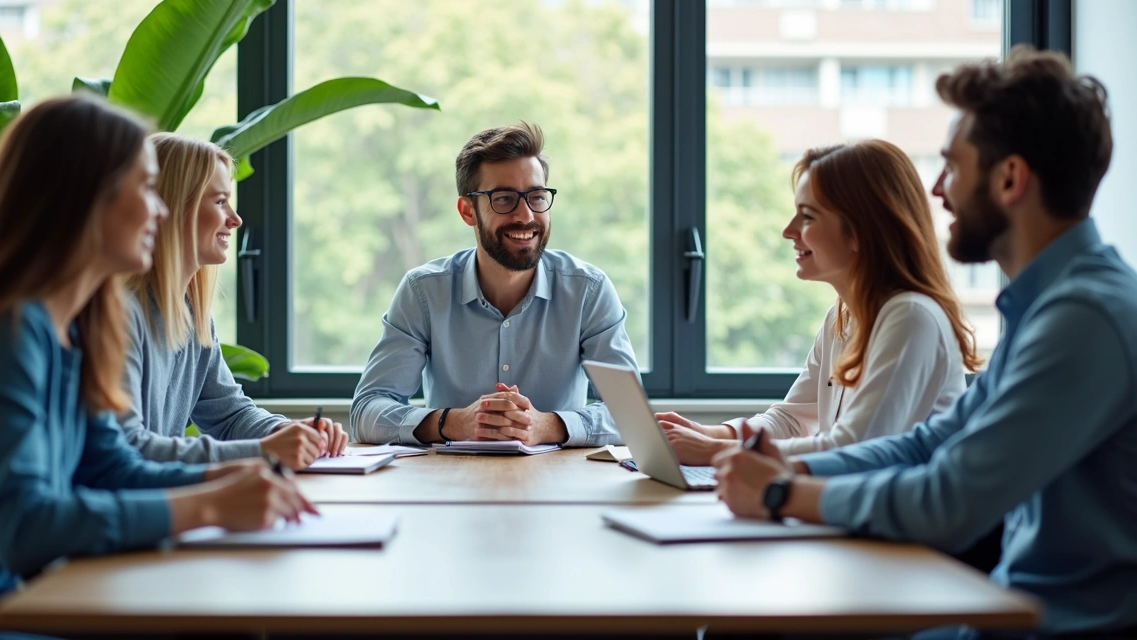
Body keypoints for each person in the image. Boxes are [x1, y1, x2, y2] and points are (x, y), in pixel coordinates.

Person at [714, 47, 1137, 638]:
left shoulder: (1084, 317)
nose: (938, 189)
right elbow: (928, 443)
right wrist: (783, 462)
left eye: (953, 167)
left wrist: (783, 493)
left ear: (1010, 178)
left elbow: (948, 500)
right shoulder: (1048, 306)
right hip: (1001, 610)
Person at [0, 96, 316, 639]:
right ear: (83, 199)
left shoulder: (79, 326)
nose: (159, 210)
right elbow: (22, 525)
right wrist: (207, 504)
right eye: (144, 190)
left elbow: (111, 466)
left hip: (32, 593)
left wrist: (226, 476)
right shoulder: (9, 329)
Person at [657, 139, 979, 465]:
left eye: (807, 217)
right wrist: (714, 434)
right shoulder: (841, 318)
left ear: (860, 231)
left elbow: (855, 448)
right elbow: (793, 419)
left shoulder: (911, 318)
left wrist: (717, 453)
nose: (788, 231)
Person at [350, 122, 638, 447]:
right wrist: (454, 422)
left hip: (561, 487)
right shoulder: (423, 292)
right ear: (467, 211)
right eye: (504, 199)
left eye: (537, 196)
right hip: (451, 486)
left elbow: (629, 417)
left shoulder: (589, 291)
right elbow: (366, 412)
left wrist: (546, 426)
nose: (526, 215)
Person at [119, 133, 346, 470]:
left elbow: (228, 415)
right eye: (220, 201)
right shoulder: (122, 315)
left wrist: (285, 431)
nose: (235, 219)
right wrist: (264, 451)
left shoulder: (193, 315)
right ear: (170, 207)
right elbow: (127, 448)